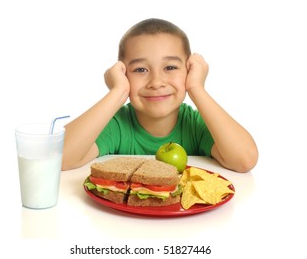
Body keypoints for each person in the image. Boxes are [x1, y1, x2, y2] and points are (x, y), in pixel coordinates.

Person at [62, 18, 258, 172]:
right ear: (123, 73)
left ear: (188, 70)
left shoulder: (196, 125)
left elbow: (244, 160)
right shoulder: (117, 126)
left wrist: (197, 88)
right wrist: (118, 92)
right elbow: (58, 158)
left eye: (170, 67)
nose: (156, 82)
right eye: (140, 70)